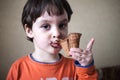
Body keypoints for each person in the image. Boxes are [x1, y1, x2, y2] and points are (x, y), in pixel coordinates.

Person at [6, 0, 98, 80]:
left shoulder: (74, 66)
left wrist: (87, 68)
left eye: (62, 25)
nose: (57, 33)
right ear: (29, 31)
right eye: (46, 26)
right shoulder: (18, 68)